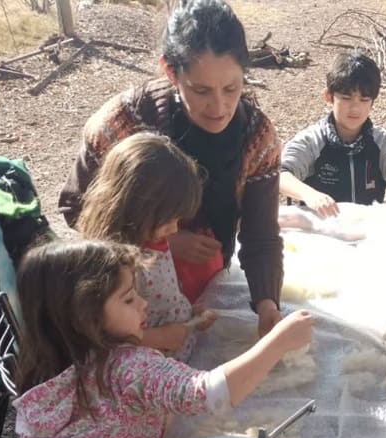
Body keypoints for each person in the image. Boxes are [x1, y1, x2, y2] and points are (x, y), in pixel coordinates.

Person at [1, 239, 313, 438]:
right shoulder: (127, 365)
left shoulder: (53, 360)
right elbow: (206, 395)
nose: (143, 303)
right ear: (86, 317)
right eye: (128, 299)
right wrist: (278, 342)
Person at [59, 0, 283, 336]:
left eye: (232, 88)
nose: (219, 107)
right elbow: (75, 207)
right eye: (201, 90)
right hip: (131, 299)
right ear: (169, 71)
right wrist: (162, 239)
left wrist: (267, 303)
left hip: (205, 286)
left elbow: (261, 235)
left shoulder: (256, 137)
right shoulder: (121, 125)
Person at [77, 132, 216, 362]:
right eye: (168, 220)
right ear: (136, 207)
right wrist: (160, 337)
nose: (174, 230)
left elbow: (164, 294)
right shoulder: (111, 265)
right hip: (145, 375)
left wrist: (190, 316)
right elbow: (101, 340)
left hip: (177, 356)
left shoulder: (155, 240)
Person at [279, 51, 386, 221]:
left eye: (364, 100)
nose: (355, 108)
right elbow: (279, 173)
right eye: (346, 98)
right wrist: (310, 195)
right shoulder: (313, 140)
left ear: (373, 102)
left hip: (365, 234)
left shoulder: (380, 143)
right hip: (319, 233)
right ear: (328, 97)